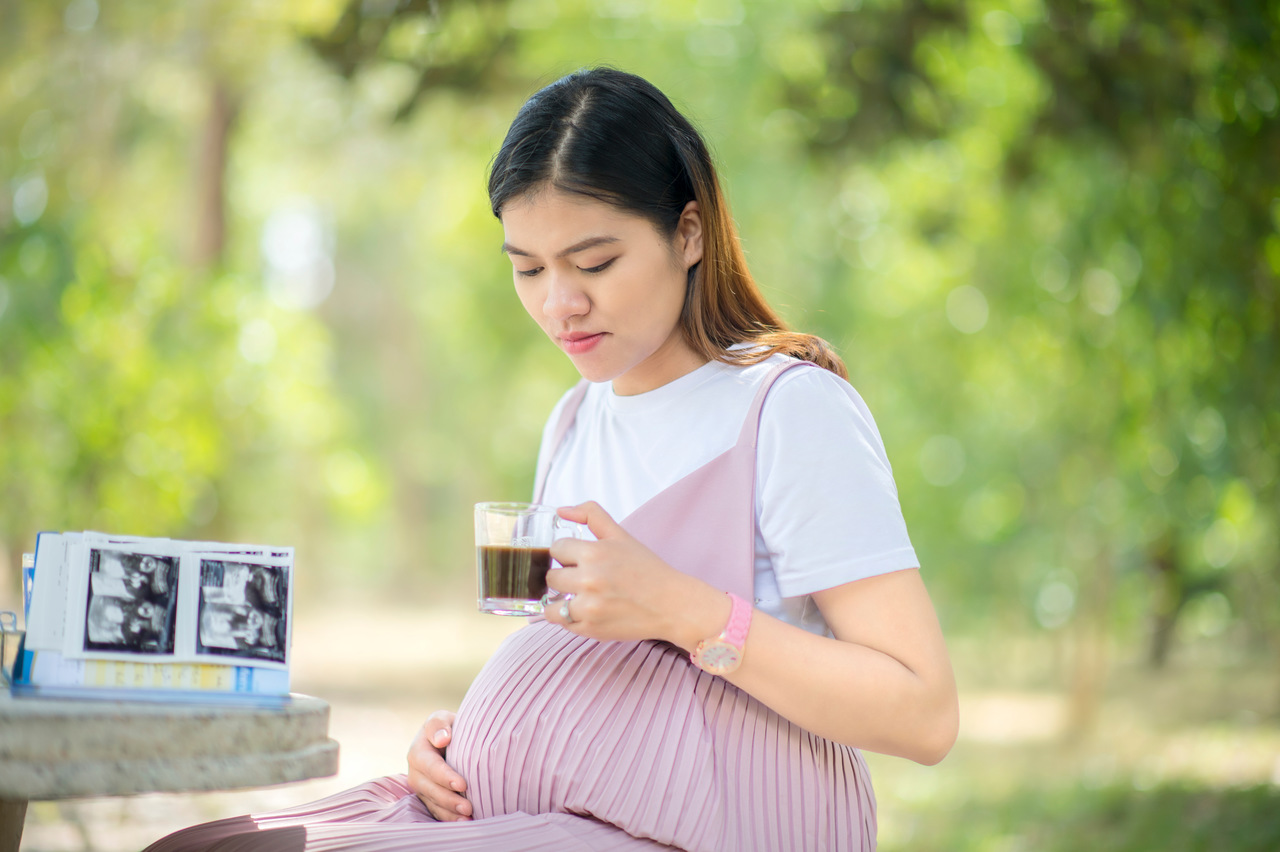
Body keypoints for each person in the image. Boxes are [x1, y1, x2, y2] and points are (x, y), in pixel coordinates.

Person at [145, 66, 958, 852]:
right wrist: (455, 746)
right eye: (527, 269)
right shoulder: (574, 420)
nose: (558, 304)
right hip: (544, 817)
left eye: (594, 263)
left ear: (689, 231)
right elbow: (574, 676)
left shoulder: (786, 409)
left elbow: (924, 715)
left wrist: (685, 608)